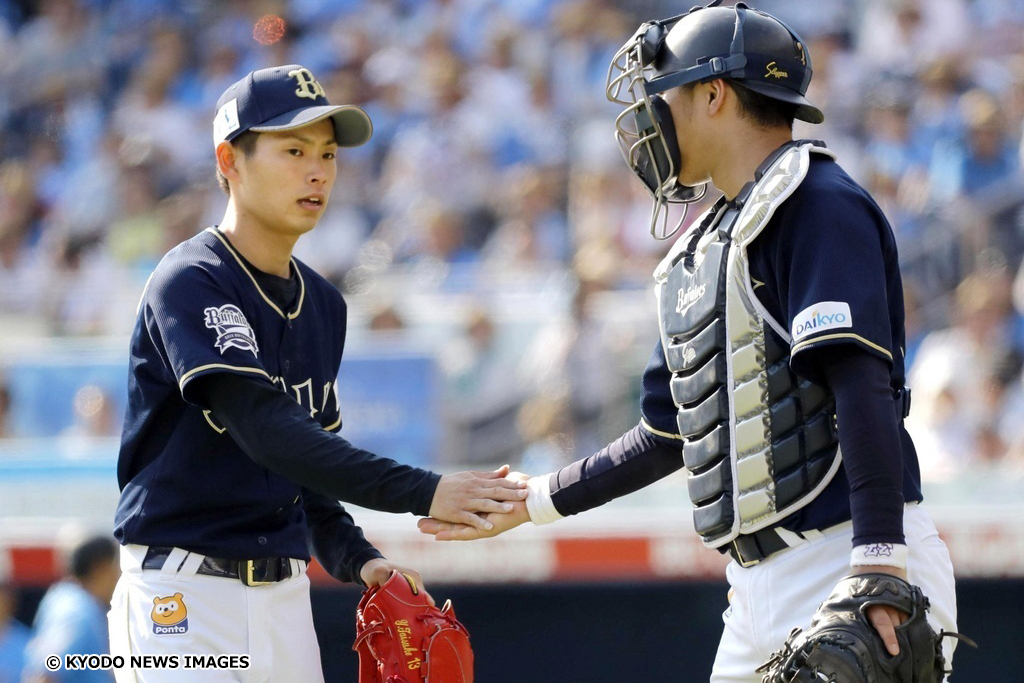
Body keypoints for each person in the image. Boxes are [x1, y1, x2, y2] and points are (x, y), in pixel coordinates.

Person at [418, 3, 959, 681]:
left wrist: (880, 559)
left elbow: (861, 384)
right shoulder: (700, 250)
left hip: (848, 553)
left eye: (664, 94)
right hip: (754, 586)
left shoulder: (816, 201)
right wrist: (533, 500)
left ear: (713, 94)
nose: (650, 116)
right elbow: (667, 434)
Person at [108, 64, 526, 683]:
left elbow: (305, 472)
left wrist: (360, 560)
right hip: (180, 599)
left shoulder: (324, 304)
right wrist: (426, 490)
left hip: (283, 601)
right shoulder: (191, 279)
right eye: (294, 150)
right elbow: (265, 428)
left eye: (328, 154)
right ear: (230, 160)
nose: (317, 171)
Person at [23, 534, 120, 683]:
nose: (119, 575)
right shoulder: (77, 611)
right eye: (116, 566)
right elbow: (44, 675)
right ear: (101, 567)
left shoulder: (62, 596)